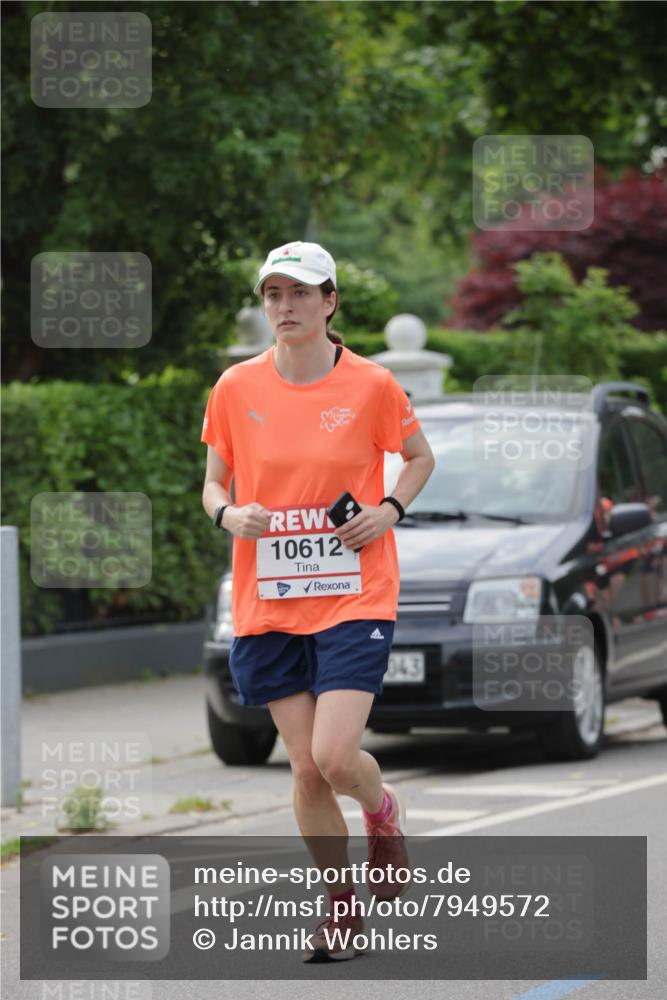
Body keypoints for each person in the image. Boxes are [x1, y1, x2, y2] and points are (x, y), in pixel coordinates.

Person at [201, 240, 435, 962]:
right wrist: (226, 515)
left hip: (354, 591)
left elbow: (421, 457)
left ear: (329, 302)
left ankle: (380, 809)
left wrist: (389, 508)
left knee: (335, 757)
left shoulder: (370, 384)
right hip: (269, 599)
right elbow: (213, 483)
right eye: (273, 294)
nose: (285, 306)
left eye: (300, 293)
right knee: (302, 769)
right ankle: (338, 906)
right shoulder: (235, 388)